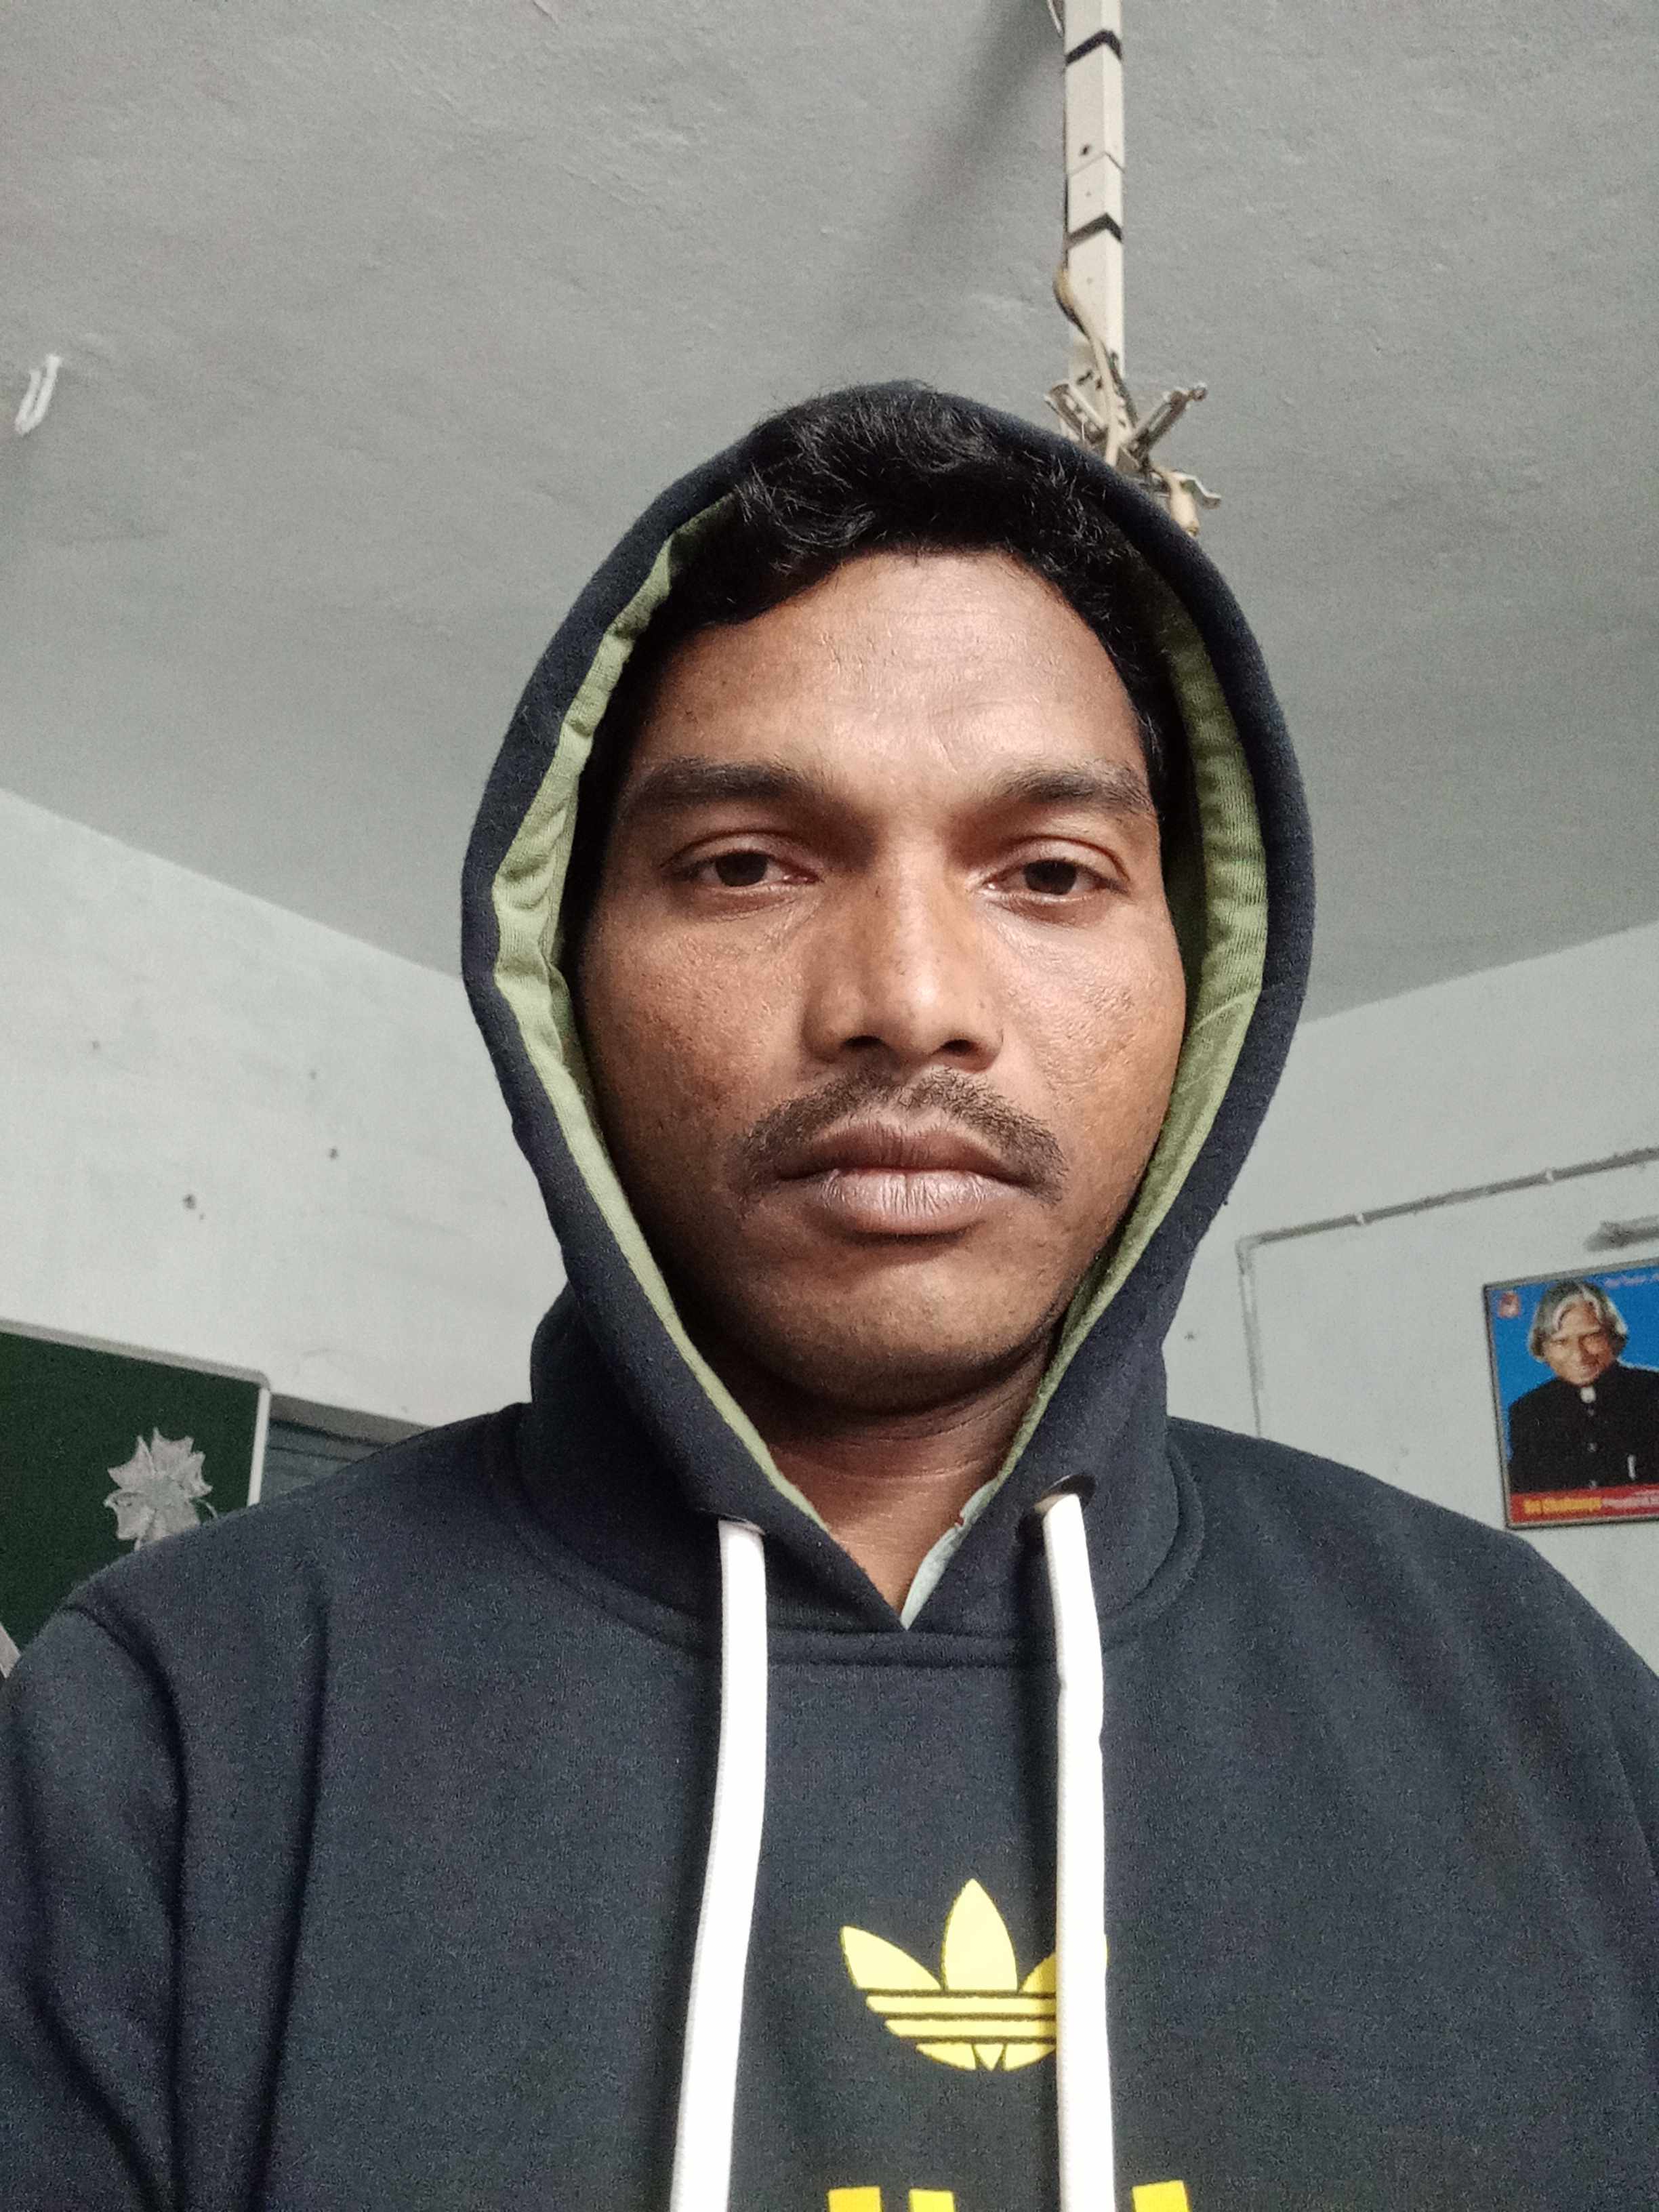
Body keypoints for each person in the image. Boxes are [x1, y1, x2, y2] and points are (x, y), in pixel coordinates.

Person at [2, 386, 1656, 2212]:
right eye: (745, 865)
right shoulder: (168, 1725)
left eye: (1047, 873)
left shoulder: (1541, 1703)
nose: (907, 1001)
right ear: (560, 978)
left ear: (1202, 976)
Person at [1507, 1277, 1659, 1492]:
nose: (1579, 1356)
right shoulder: (1528, 1412)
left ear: (1612, 1337)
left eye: (1591, 1337)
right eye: (1561, 1342)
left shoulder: (1653, 1391)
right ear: (1543, 1348)